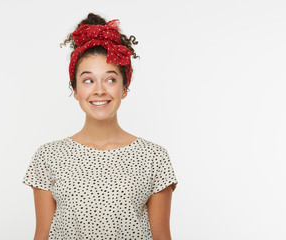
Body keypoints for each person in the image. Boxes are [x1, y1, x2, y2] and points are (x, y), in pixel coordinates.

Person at [22, 13, 178, 240]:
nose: (99, 90)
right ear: (75, 89)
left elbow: (162, 237)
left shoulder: (154, 158)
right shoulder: (48, 157)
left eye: (111, 79)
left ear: (124, 88)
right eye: (88, 80)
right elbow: (42, 235)